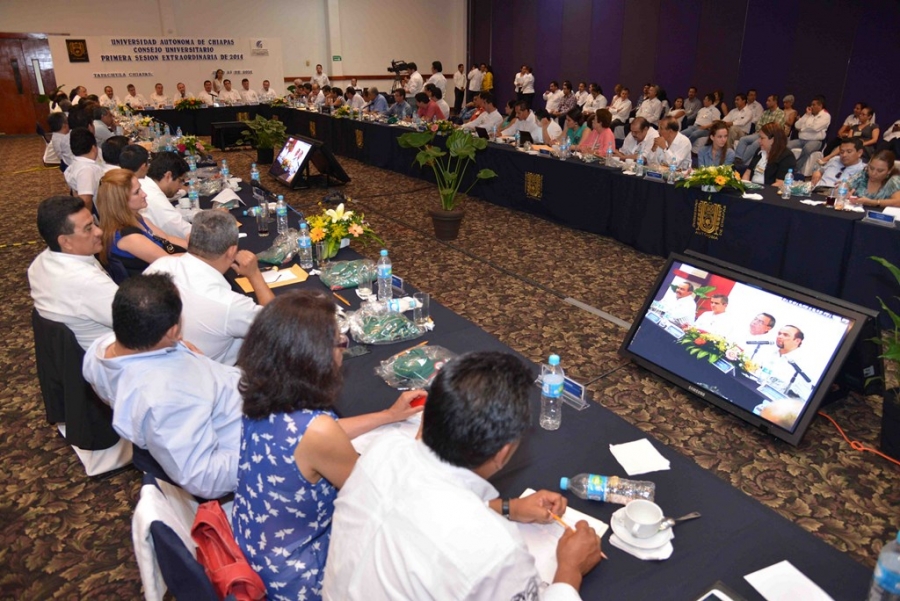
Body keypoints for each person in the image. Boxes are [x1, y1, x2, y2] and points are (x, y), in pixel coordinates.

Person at [322, 351, 604, 600]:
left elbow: (421, 508)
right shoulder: (496, 550)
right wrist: (570, 569)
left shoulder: (384, 449)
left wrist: (508, 507)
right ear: (503, 452)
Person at [233, 291, 425, 600]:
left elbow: (317, 435)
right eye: (340, 343)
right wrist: (423, 440)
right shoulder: (317, 431)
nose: (342, 351)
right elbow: (380, 496)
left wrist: (389, 416)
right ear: (314, 357)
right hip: (297, 574)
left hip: (258, 545)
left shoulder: (264, 393)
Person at [83, 273, 243, 499]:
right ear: (172, 331)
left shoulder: (100, 349)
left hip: (232, 393)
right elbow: (206, 479)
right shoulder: (167, 398)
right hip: (248, 433)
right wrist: (270, 447)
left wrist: (187, 358)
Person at [145, 211, 273, 365]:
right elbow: (279, 326)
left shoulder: (159, 266)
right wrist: (254, 275)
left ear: (190, 239)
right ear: (232, 251)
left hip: (159, 364)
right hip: (216, 375)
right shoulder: (229, 304)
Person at [29, 196, 118, 351]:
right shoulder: (87, 282)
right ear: (65, 242)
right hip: (112, 361)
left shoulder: (39, 263)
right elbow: (145, 324)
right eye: (88, 228)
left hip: (70, 359)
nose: (99, 231)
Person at [96, 168, 187, 277]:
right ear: (121, 201)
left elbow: (166, 238)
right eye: (136, 192)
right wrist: (200, 256)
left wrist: (197, 248)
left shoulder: (136, 217)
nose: (144, 194)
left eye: (140, 189)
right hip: (156, 284)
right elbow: (168, 262)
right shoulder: (128, 237)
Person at [140, 151, 192, 240]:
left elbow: (169, 215)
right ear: (168, 176)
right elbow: (185, 232)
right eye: (180, 181)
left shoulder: (145, 182)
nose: (181, 187)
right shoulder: (154, 197)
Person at [756, 325, 813, 401]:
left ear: (797, 341)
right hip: (756, 391)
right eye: (779, 333)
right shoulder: (769, 352)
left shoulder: (802, 364)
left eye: (785, 335)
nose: (780, 336)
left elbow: (803, 395)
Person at [735, 94, 786, 164]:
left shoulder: (781, 113)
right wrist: (762, 131)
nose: (766, 102)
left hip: (769, 137)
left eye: (769, 101)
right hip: (759, 133)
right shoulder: (765, 112)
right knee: (743, 139)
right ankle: (738, 158)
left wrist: (764, 132)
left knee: (756, 143)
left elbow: (775, 128)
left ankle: (741, 162)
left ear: (775, 102)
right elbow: (758, 124)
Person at [743, 122, 796, 188]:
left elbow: (780, 183)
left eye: (762, 138)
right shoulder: (759, 151)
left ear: (772, 140)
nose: (759, 141)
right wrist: (744, 187)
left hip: (768, 192)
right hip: (751, 189)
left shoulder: (787, 157)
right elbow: (748, 172)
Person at [64, 128, 103, 213]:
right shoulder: (86, 170)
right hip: (99, 212)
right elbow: (86, 200)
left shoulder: (76, 163)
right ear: (94, 148)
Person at [788, 95, 831, 167]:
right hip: (801, 140)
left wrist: (802, 129)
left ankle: (795, 168)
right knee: (787, 146)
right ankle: (786, 164)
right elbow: (797, 125)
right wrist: (806, 115)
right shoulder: (809, 114)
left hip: (816, 141)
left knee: (807, 149)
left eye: (814, 105)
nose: (811, 107)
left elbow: (815, 128)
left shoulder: (826, 116)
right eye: (811, 104)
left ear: (820, 106)